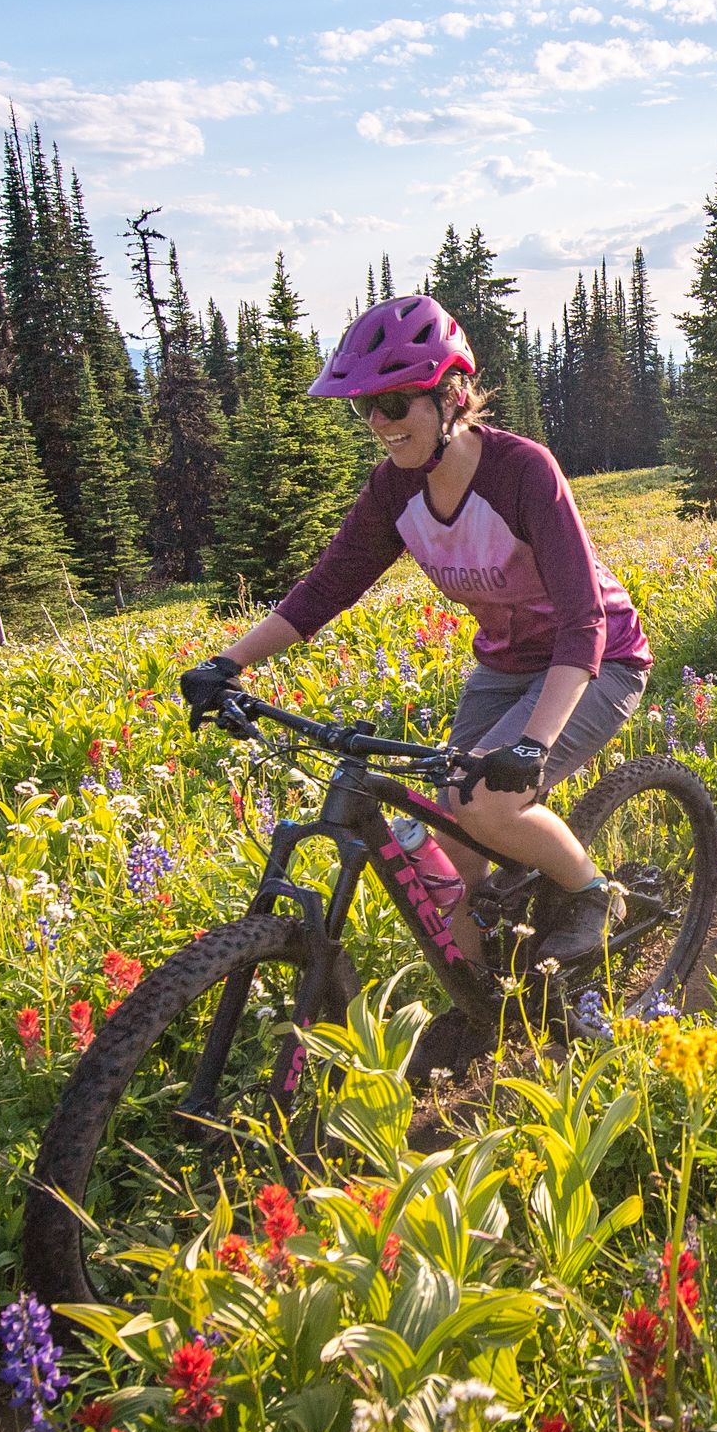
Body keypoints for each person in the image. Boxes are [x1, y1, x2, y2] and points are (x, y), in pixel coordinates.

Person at [179, 293, 648, 970]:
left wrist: (532, 743)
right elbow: (323, 591)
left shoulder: (522, 473)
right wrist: (229, 663)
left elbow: (584, 622)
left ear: (452, 395)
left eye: (394, 403)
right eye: (364, 407)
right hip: (505, 663)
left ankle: (596, 895)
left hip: (599, 659)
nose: (378, 422)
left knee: (484, 804)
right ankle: (478, 1001)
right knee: (444, 835)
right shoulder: (394, 491)